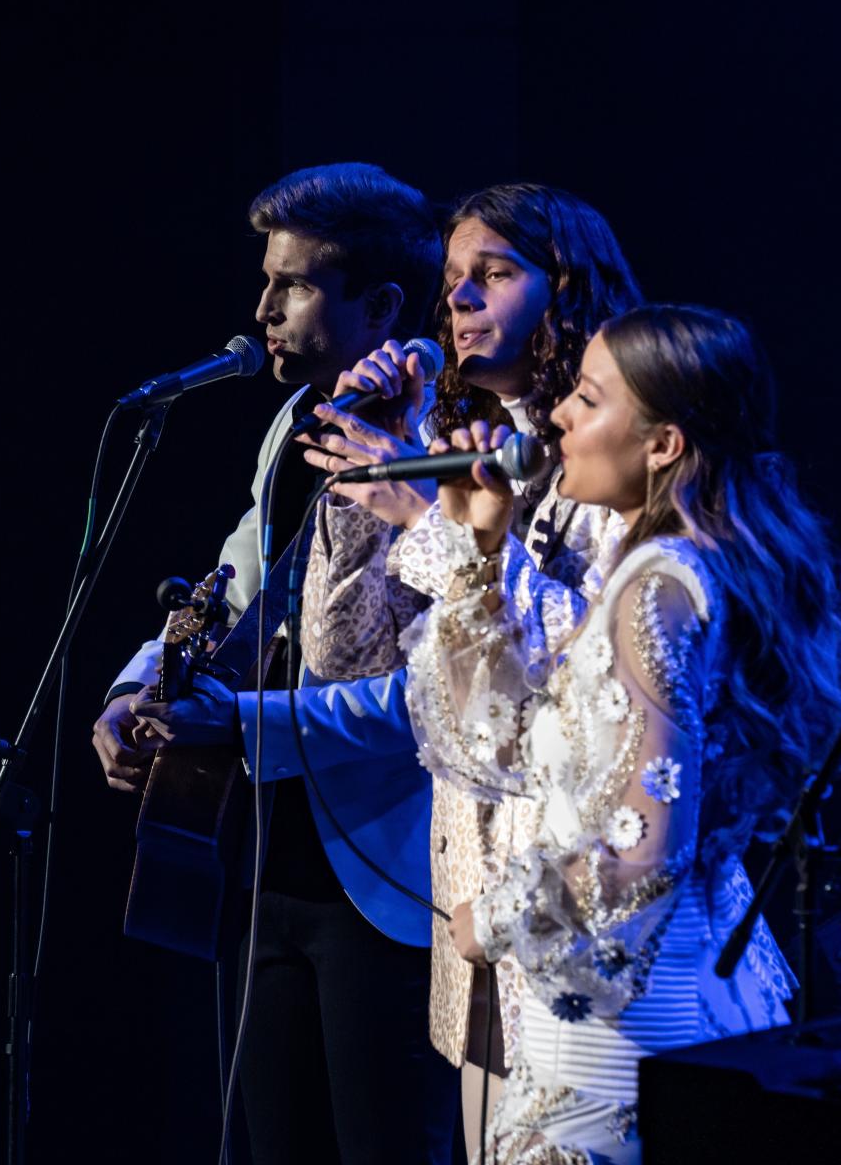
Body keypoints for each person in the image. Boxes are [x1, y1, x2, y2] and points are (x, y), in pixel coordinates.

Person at [401, 304, 841, 1162]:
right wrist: (478, 556)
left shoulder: (654, 584)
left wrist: (488, 920)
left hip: (623, 1049)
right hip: (703, 1009)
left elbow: (641, 856)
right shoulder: (702, 566)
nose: (560, 415)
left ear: (664, 444)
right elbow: (512, 749)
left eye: (588, 399)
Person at [91, 163, 460, 1165]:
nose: (262, 308)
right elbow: (238, 573)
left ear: (381, 304)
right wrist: (136, 687)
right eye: (268, 279)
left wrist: (242, 724)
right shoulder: (292, 421)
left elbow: (447, 693)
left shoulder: (448, 448)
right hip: (264, 855)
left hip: (391, 873)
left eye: (293, 285)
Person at [292, 183, 643, 1155]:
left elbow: (572, 698)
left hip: (571, 910)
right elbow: (344, 656)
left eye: (492, 274)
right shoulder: (471, 456)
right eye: (451, 281)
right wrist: (381, 480)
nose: (457, 300)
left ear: (568, 288)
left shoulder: (613, 471)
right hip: (475, 924)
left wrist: (446, 539)